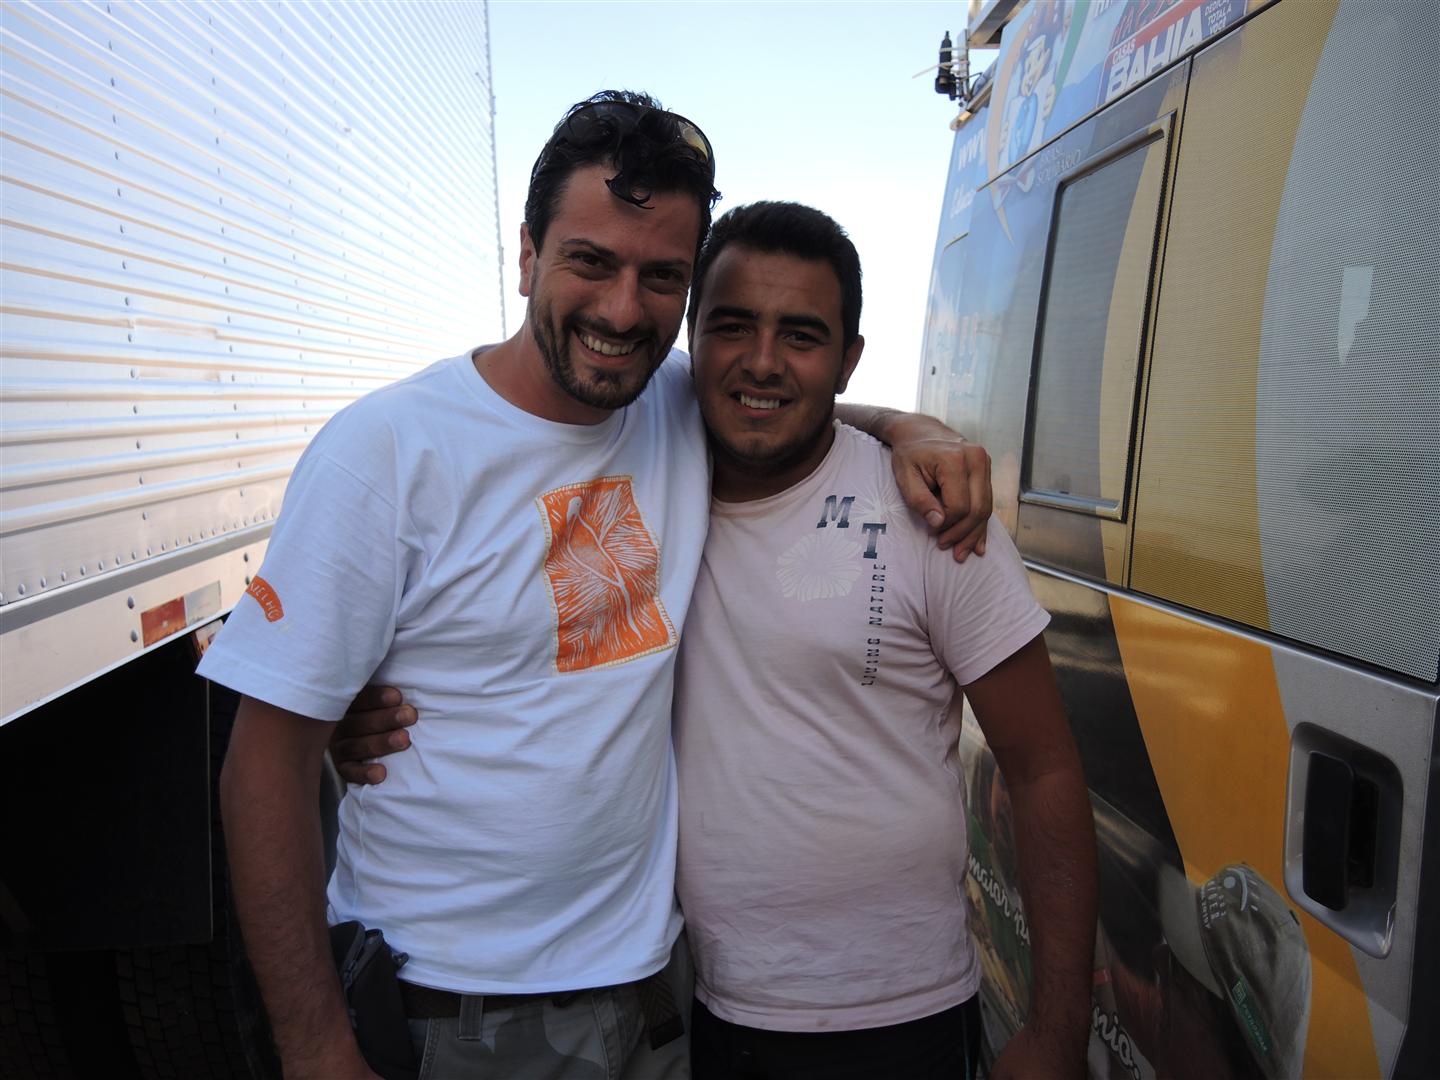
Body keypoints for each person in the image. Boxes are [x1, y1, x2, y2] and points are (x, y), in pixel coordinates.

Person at [202, 92, 993, 1080]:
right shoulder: (389, 453)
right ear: (527, 254)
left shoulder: (671, 401)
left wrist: (912, 428)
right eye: (590, 262)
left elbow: (787, 394)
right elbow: (263, 767)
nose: (623, 311)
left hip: (655, 997)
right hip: (461, 1012)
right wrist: (318, 1049)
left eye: (661, 277)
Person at [342, 201, 1097, 1079]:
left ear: (849, 359)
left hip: (902, 1015)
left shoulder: (930, 514)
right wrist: (349, 704)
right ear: (690, 344)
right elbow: (512, 648)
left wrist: (1055, 1033)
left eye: (802, 335)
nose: (762, 361)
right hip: (700, 1005)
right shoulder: (654, 475)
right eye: (732, 326)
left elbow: (1043, 770)